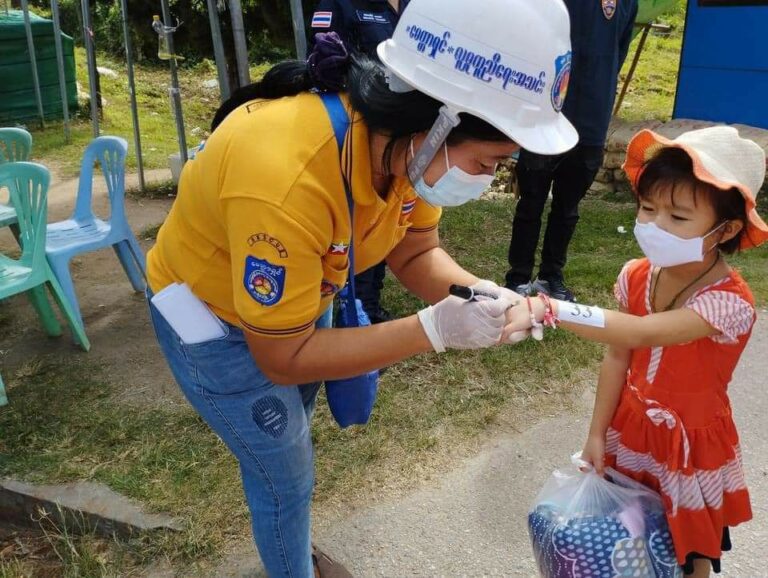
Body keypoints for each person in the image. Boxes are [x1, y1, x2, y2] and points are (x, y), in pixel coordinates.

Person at [147, 0, 577, 576]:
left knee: (291, 433)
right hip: (210, 319)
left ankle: (291, 545)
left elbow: (416, 250)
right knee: (286, 469)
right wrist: (433, 329)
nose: (490, 177)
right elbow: (284, 355)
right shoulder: (285, 177)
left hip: (300, 301)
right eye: (491, 161)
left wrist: (480, 293)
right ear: (441, 124)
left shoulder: (406, 150)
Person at [504, 126, 768, 577]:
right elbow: (617, 354)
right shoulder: (636, 277)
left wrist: (551, 308)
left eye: (679, 218)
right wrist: (596, 433)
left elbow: (641, 334)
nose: (655, 225)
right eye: (647, 209)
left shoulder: (729, 303)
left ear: (727, 230)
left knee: (690, 548)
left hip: (687, 448)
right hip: (630, 433)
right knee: (629, 533)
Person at [504, 0, 638, 302]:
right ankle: (517, 279)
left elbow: (619, 52)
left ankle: (551, 277)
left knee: (568, 208)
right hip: (546, 111)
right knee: (531, 202)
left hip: (591, 118)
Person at [308, 0, 411, 324]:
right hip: (355, 133)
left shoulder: (414, 6)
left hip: (404, 130)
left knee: (382, 223)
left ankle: (367, 304)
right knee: (351, 225)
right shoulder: (342, 3)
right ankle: (346, 304)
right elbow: (325, 58)